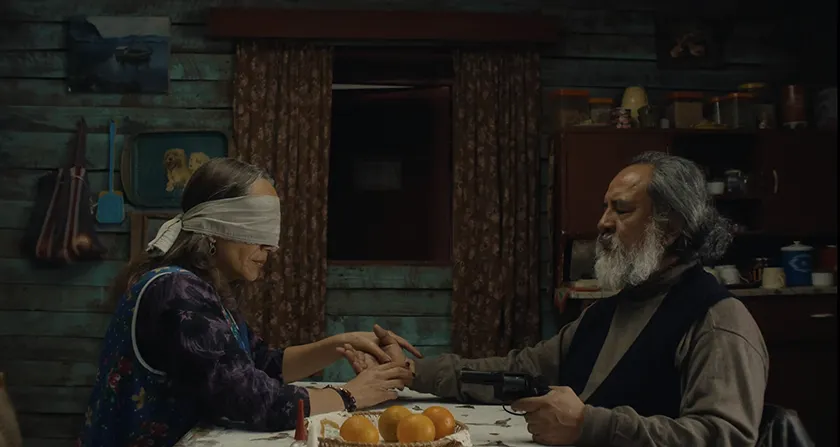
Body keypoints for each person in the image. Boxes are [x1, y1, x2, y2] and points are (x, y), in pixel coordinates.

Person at [342, 152, 769, 447]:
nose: (602, 223)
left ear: (671, 227)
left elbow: (725, 437)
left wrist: (590, 425)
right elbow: (518, 370)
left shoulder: (717, 321)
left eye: (621, 210)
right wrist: (411, 372)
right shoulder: (607, 312)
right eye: (605, 208)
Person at [78, 158, 416, 447]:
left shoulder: (199, 289)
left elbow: (261, 363)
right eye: (258, 228)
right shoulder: (176, 291)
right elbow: (250, 400)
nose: (271, 247)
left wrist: (339, 344)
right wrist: (349, 396)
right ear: (214, 227)